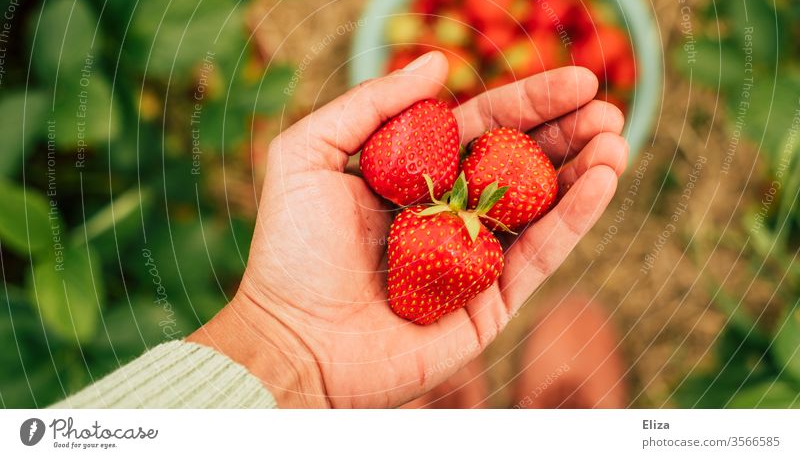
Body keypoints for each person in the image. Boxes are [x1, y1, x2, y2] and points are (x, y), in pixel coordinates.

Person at [54, 51, 628, 409]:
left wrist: (282, 346)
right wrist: (289, 346)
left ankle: (436, 421)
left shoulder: (436, 212)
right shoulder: (449, 220)